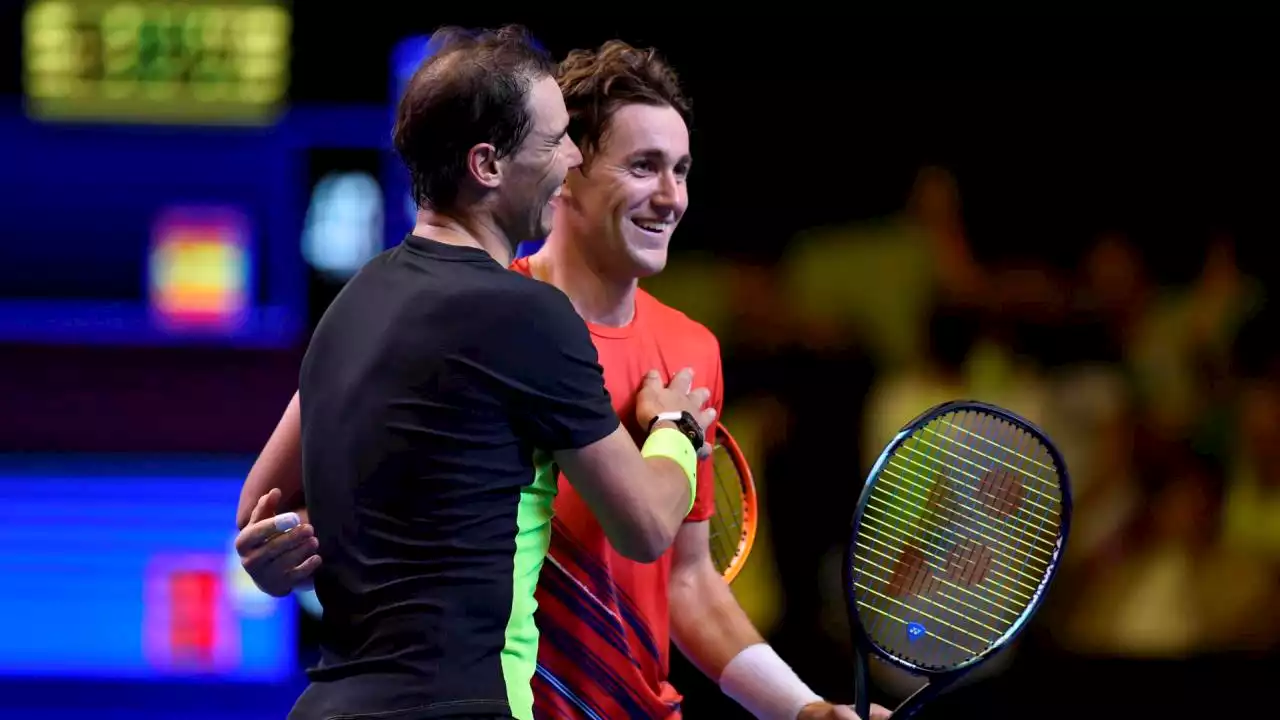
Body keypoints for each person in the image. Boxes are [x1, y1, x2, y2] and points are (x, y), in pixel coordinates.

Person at [238, 38, 888, 720]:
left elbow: (686, 580)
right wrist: (674, 433)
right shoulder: (500, 314)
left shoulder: (687, 351)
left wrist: (804, 709)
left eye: (683, 170)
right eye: (643, 167)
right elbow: (641, 521)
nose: (671, 197)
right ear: (560, 173)